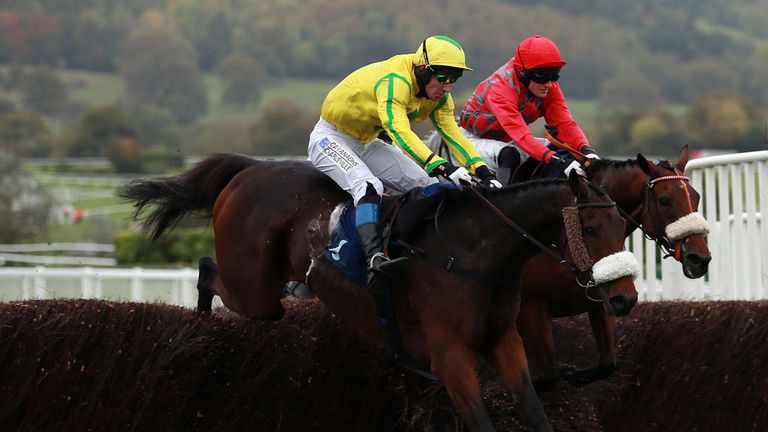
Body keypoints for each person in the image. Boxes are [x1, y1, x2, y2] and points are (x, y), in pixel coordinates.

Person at [307, 35, 501, 352]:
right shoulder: (395, 81)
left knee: (424, 184)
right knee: (368, 186)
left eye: (455, 78)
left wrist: (481, 168)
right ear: (423, 69)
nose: (448, 85)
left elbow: (451, 133)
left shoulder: (439, 94)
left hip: (366, 141)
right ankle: (374, 259)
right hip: (331, 139)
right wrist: (440, 164)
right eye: (443, 76)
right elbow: (399, 132)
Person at [457, 34, 599, 183]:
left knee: (566, 153)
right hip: (472, 138)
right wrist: (559, 162)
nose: (549, 84)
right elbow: (522, 136)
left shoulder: (547, 86)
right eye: (542, 77)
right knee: (509, 154)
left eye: (554, 76)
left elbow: (565, 124)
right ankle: (501, 200)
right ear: (522, 72)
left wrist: (586, 151)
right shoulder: (500, 89)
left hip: (508, 138)